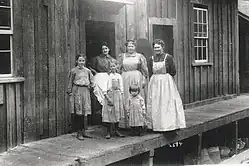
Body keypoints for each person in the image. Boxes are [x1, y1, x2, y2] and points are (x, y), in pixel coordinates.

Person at [147, 39, 186, 132]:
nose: (157, 49)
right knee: (156, 103)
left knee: (167, 102)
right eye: (155, 47)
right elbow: (150, 71)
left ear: (162, 47)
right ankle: (156, 125)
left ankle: (169, 125)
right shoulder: (151, 59)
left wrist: (166, 79)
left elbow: (173, 71)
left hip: (166, 82)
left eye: (158, 47)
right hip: (155, 82)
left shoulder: (168, 57)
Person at [118, 40, 149, 128]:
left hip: (137, 78)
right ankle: (127, 124)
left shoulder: (140, 56)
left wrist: (144, 79)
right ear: (126, 47)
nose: (130, 48)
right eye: (128, 46)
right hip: (125, 78)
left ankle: (140, 123)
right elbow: (118, 69)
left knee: (138, 99)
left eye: (132, 46)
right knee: (127, 98)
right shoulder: (122, 56)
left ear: (135, 47)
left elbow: (144, 70)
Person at [67, 54, 94, 140]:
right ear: (76, 61)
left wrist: (91, 86)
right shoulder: (73, 71)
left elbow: (92, 81)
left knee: (84, 112)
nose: (81, 62)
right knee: (78, 112)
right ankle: (79, 132)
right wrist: (70, 91)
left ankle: (83, 131)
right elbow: (70, 81)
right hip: (77, 91)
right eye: (80, 61)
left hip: (85, 91)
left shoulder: (88, 71)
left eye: (83, 61)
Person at [88, 43, 117, 122]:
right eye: (103, 49)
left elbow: (116, 68)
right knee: (99, 96)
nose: (105, 50)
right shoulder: (97, 59)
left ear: (109, 49)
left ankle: (110, 119)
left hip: (108, 77)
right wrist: (96, 73)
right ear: (101, 50)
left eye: (106, 48)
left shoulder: (112, 59)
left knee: (109, 96)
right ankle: (99, 119)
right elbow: (90, 67)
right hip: (99, 77)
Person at [102, 61, 125, 139]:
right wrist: (107, 96)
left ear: (116, 67)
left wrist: (121, 94)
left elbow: (121, 86)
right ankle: (108, 131)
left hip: (117, 95)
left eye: (114, 66)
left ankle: (116, 130)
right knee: (109, 113)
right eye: (111, 66)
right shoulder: (107, 76)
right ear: (109, 68)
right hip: (110, 95)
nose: (112, 68)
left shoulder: (119, 76)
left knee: (117, 112)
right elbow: (104, 87)